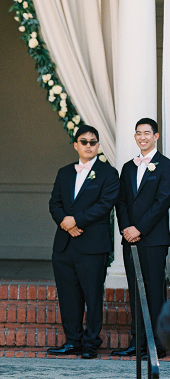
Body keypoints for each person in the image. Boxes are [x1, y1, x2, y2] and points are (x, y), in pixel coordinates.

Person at [47, 125, 119, 359]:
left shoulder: (109, 173)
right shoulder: (64, 172)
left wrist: (76, 220)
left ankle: (91, 343)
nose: (88, 145)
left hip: (93, 246)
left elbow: (105, 205)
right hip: (64, 245)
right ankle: (73, 341)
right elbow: (54, 203)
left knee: (93, 295)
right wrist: (65, 223)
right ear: (76, 144)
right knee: (68, 296)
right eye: (83, 141)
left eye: (93, 142)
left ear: (98, 146)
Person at [113, 118, 170, 359]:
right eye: (138, 133)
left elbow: (162, 202)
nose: (142, 137)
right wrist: (127, 228)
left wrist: (140, 229)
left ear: (156, 136)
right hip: (131, 239)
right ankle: (138, 342)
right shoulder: (128, 167)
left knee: (155, 291)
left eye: (147, 133)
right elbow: (121, 200)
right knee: (136, 291)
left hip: (153, 239)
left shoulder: (166, 166)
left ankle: (158, 344)